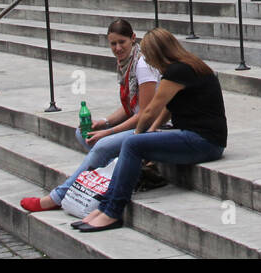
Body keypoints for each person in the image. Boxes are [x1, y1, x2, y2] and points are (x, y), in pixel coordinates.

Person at [73, 28, 227, 232]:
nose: (147, 60)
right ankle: (104, 207)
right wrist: (151, 132)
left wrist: (138, 136)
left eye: (147, 55)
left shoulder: (177, 72)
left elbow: (149, 111)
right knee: (135, 143)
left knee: (132, 144)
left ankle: (112, 212)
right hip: (201, 138)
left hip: (204, 142)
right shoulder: (188, 66)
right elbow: (168, 110)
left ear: (157, 53)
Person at [20, 19, 160, 212]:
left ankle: (57, 197)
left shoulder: (142, 65)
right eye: (113, 44)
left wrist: (107, 132)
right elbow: (129, 108)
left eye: (122, 42)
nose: (118, 48)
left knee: (101, 144)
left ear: (133, 39)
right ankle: (133, 171)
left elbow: (145, 114)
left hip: (152, 128)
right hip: (137, 125)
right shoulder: (125, 63)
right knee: (83, 133)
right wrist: (103, 122)